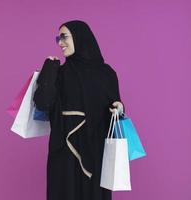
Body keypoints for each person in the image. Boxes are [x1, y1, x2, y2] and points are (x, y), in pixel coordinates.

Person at [33, 20, 125, 200]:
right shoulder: (59, 72)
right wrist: (49, 70)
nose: (60, 43)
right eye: (58, 38)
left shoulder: (106, 73)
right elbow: (43, 103)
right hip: (63, 147)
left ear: (80, 38)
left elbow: (115, 105)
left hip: (95, 146)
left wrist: (119, 107)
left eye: (64, 37)